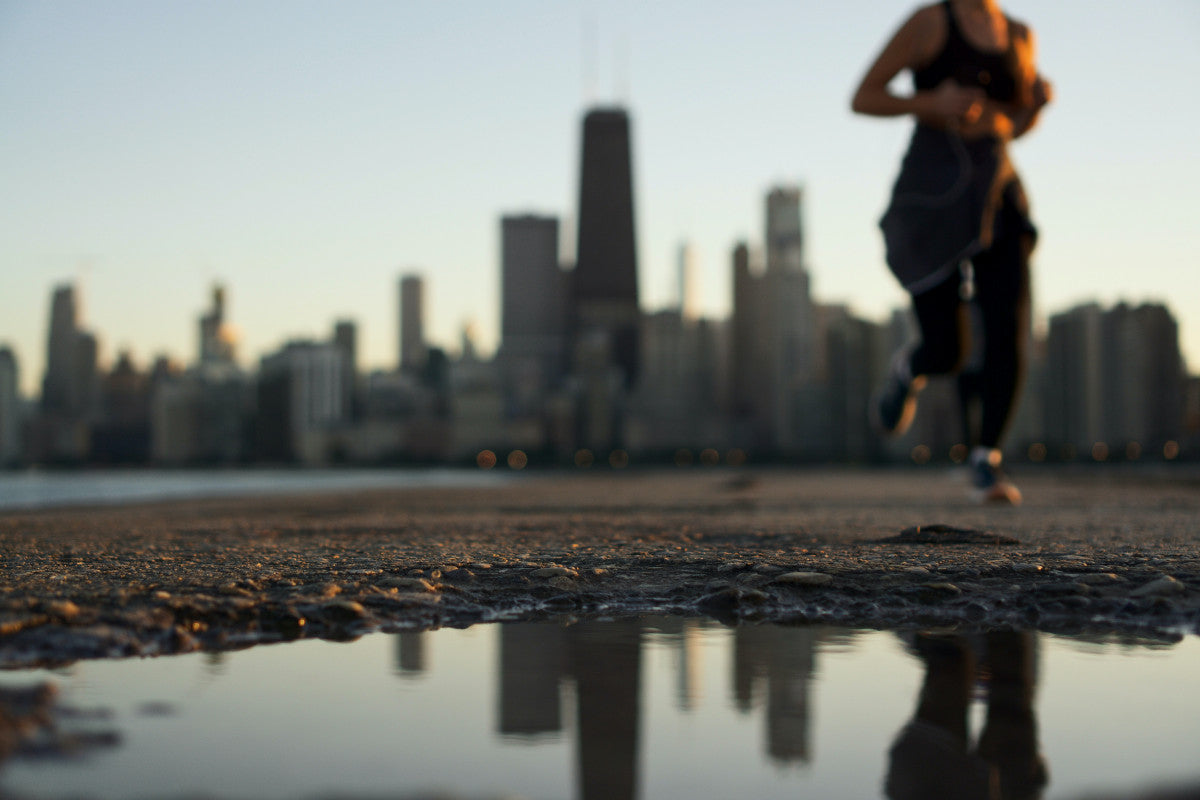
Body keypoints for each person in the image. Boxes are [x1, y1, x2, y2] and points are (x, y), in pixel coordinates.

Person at [851, 0, 1052, 504]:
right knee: (949, 350)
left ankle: (986, 460)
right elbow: (863, 97)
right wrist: (928, 105)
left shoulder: (1021, 35)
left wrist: (1034, 109)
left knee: (1008, 323)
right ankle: (907, 370)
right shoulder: (929, 24)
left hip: (996, 196)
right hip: (933, 197)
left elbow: (1015, 124)